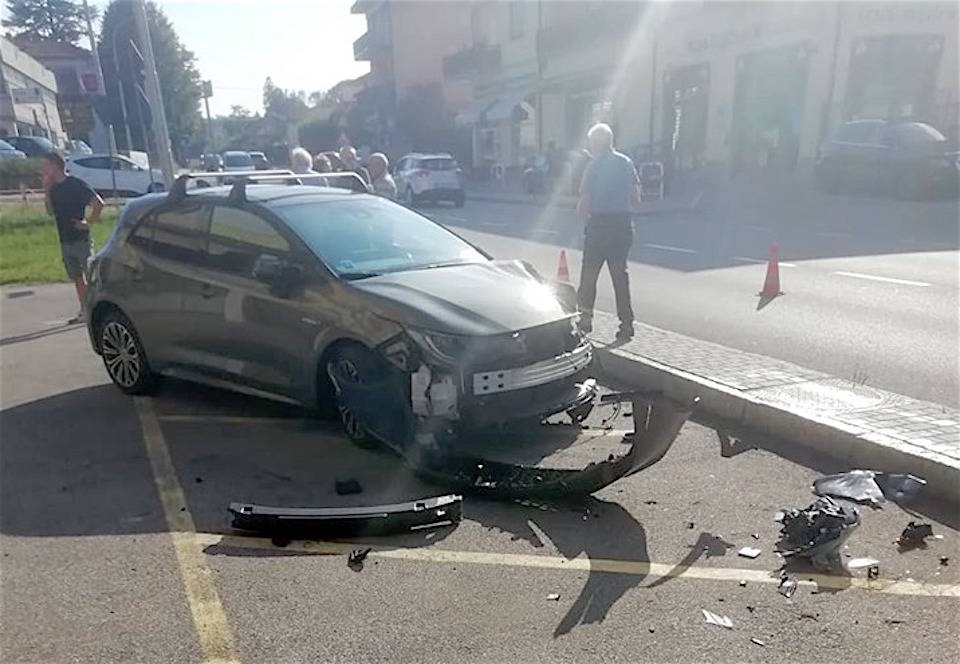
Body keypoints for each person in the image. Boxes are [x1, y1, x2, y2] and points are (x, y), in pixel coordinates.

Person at [576, 123, 639, 342]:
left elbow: (584, 204)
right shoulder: (626, 162)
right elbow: (635, 196)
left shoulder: (593, 167)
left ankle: (585, 320)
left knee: (589, 275)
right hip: (622, 226)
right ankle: (627, 324)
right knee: (620, 275)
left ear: (595, 144)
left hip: (600, 226)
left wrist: (587, 223)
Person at [42, 152, 104, 323]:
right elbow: (50, 212)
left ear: (55, 166)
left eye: (46, 166)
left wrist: (88, 222)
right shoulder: (53, 189)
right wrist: (46, 192)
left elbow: (98, 203)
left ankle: (100, 308)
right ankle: (85, 310)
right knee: (76, 277)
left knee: (91, 276)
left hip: (81, 239)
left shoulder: (76, 184)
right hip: (65, 239)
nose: (43, 170)